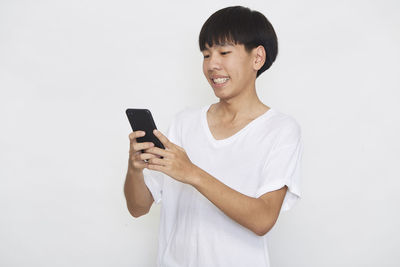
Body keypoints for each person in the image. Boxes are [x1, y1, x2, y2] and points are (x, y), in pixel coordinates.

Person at [124, 5, 303, 267]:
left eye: (224, 52)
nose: (212, 64)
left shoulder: (280, 130)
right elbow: (137, 208)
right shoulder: (184, 123)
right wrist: (135, 169)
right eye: (206, 55)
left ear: (257, 58)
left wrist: (192, 173)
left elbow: (263, 219)